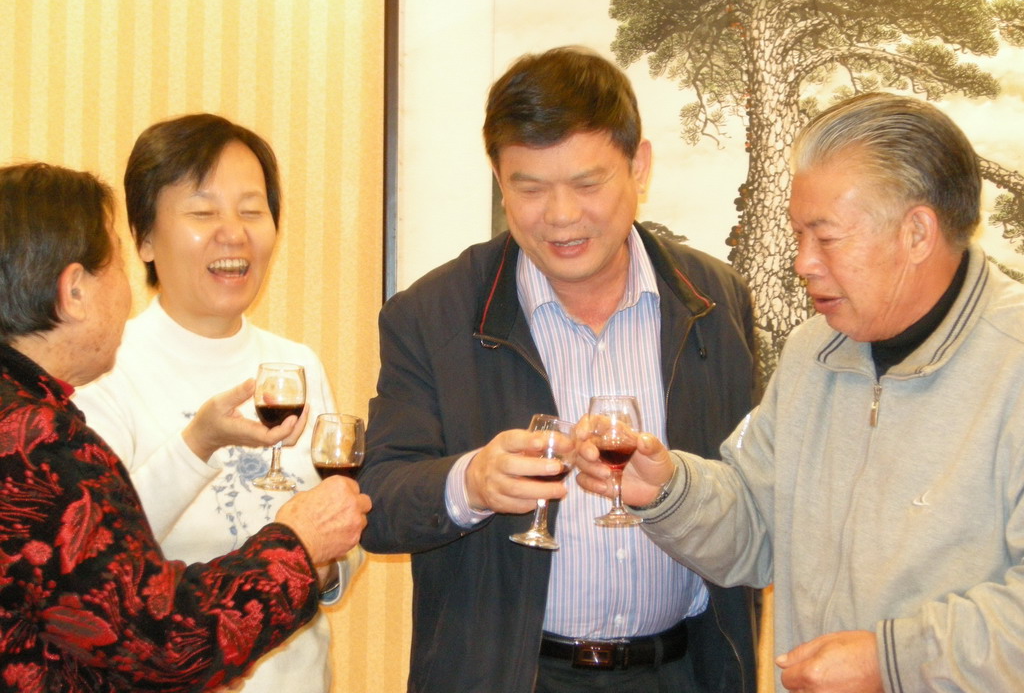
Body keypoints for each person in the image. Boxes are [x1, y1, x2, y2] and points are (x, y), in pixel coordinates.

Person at [576, 91, 1024, 692]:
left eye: (826, 237)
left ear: (917, 232)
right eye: (797, 235)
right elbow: (757, 527)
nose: (802, 262)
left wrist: (891, 662)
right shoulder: (814, 352)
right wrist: (667, 491)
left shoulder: (1013, 362)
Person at [359, 46, 759, 693]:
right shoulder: (431, 316)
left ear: (640, 166)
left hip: (682, 672)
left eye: (587, 183)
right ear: (498, 179)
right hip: (509, 677)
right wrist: (469, 484)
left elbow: (753, 496)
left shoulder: (713, 301)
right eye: (531, 188)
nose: (562, 216)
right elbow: (378, 505)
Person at [0, 162, 370, 691]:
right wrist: (295, 543)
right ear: (75, 290)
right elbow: (166, 642)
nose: (233, 231)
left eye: (251, 209)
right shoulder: (37, 441)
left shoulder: (29, 415)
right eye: (116, 267)